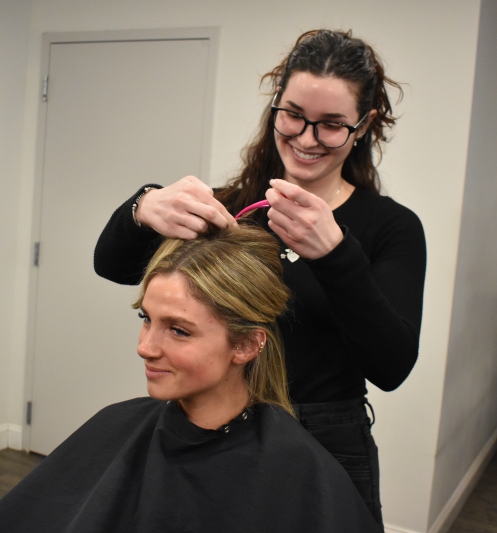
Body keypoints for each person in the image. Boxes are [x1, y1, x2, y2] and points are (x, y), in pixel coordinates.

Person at [93, 29, 427, 526]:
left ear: (364, 125)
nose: (306, 138)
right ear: (276, 104)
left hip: (326, 439)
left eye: (332, 125)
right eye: (293, 115)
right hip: (213, 428)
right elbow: (113, 265)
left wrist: (336, 257)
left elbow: (392, 365)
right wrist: (143, 206)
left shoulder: (391, 228)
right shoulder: (228, 209)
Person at [0, 224, 380, 533]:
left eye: (178, 330)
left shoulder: (298, 469)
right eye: (146, 320)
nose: (145, 347)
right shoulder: (117, 425)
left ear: (247, 345)